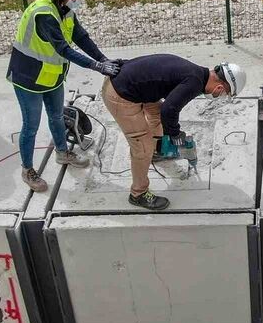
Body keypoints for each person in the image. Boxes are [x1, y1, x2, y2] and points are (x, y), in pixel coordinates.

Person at [8, 0, 121, 192]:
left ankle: (62, 153)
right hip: (28, 78)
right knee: (31, 126)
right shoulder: (44, 14)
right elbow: (64, 50)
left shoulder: (64, 9)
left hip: (52, 76)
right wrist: (98, 67)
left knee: (57, 116)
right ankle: (28, 169)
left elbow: (80, 36)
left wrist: (103, 58)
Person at [102, 54, 246, 211]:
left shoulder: (195, 72)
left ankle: (158, 151)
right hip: (121, 94)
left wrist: (171, 134)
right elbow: (169, 110)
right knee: (142, 146)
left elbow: (153, 66)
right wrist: (175, 134)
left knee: (155, 114)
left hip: (129, 81)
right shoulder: (194, 83)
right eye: (224, 94)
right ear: (220, 87)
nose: (220, 97)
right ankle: (138, 194)